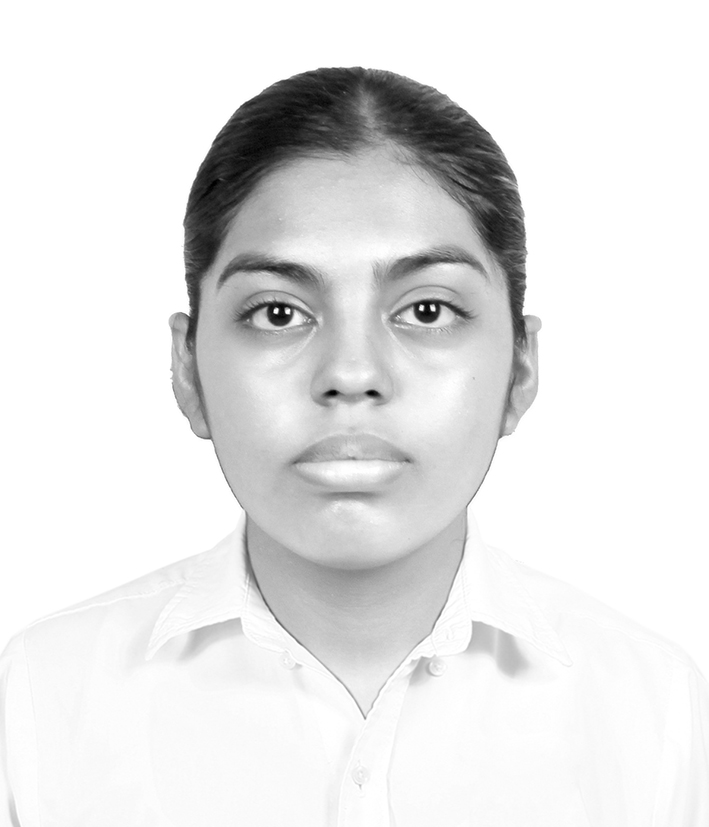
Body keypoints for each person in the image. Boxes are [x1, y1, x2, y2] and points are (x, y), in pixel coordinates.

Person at [1, 66, 707, 826]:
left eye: (427, 309)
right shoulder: (35, 705)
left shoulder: (662, 716)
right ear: (187, 370)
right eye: (277, 313)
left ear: (521, 368)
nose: (351, 374)